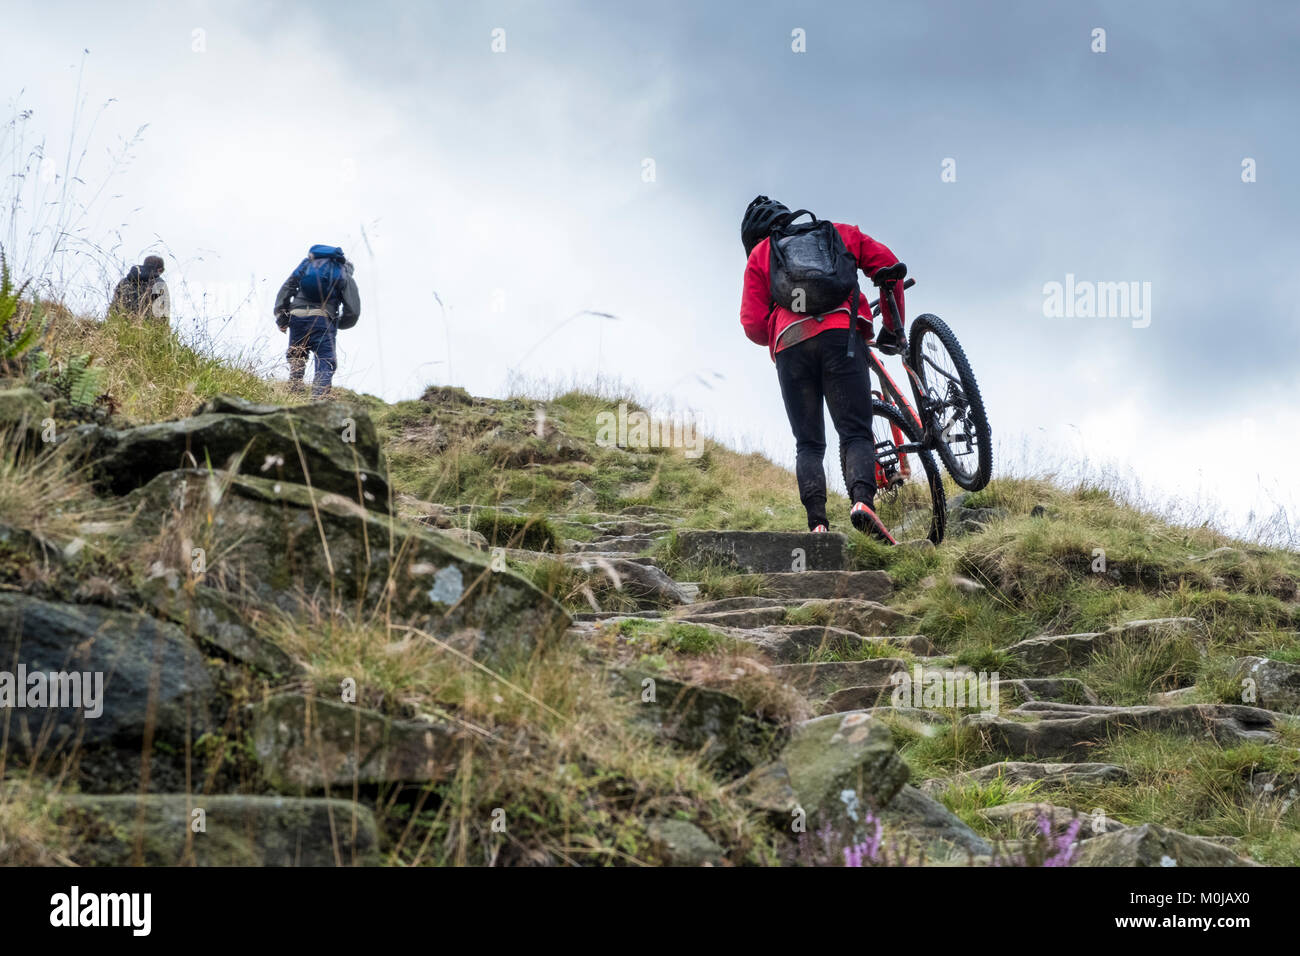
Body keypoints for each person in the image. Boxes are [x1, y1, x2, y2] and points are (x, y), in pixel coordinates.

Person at [738, 196, 908, 544]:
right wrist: (893, 327)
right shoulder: (840, 233)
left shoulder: (761, 255)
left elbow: (753, 325)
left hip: (791, 345)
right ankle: (863, 504)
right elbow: (890, 270)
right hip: (841, 337)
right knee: (856, 432)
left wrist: (781, 319)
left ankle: (818, 525)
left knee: (809, 444)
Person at [273, 244, 360, 398]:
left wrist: (282, 317)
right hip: (323, 318)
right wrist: (338, 323)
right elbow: (352, 311)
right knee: (326, 360)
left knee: (297, 354)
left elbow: (287, 287)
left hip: (297, 315)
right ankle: (318, 398)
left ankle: (294, 390)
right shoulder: (343, 272)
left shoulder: (307, 265)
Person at [111, 255, 170, 324]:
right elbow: (162, 313)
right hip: (148, 328)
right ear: (160, 270)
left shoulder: (124, 281)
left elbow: (113, 307)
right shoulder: (159, 283)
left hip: (121, 324)